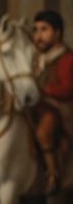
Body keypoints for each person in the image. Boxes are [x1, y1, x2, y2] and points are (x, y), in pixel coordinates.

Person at [32, 10, 73, 193]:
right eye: (36, 30)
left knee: (44, 131)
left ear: (57, 33)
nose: (38, 35)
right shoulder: (35, 59)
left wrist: (43, 91)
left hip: (60, 107)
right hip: (36, 106)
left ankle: (53, 173)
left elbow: (67, 89)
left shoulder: (66, 58)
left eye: (44, 29)